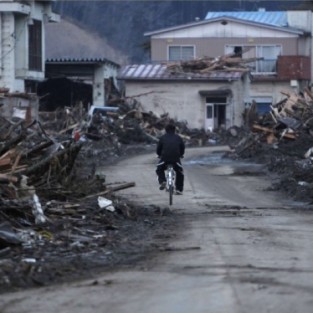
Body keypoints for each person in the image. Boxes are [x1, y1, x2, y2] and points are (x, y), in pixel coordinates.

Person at [156, 123, 185, 195]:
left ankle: (163, 181)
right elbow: (182, 148)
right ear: (174, 130)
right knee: (180, 172)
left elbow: (158, 149)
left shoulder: (162, 138)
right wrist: (181, 155)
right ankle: (178, 189)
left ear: (166, 130)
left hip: (165, 159)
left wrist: (159, 155)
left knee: (159, 169)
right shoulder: (178, 137)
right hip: (175, 159)